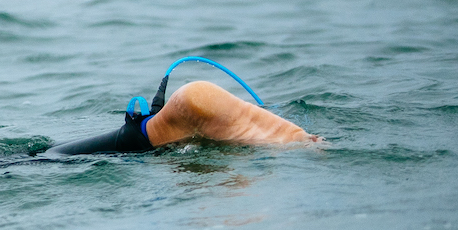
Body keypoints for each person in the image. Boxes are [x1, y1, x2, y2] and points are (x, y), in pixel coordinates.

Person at [42, 80, 317, 155]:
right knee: (46, 155)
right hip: (146, 133)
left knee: (45, 158)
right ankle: (160, 125)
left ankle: (162, 126)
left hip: (144, 142)